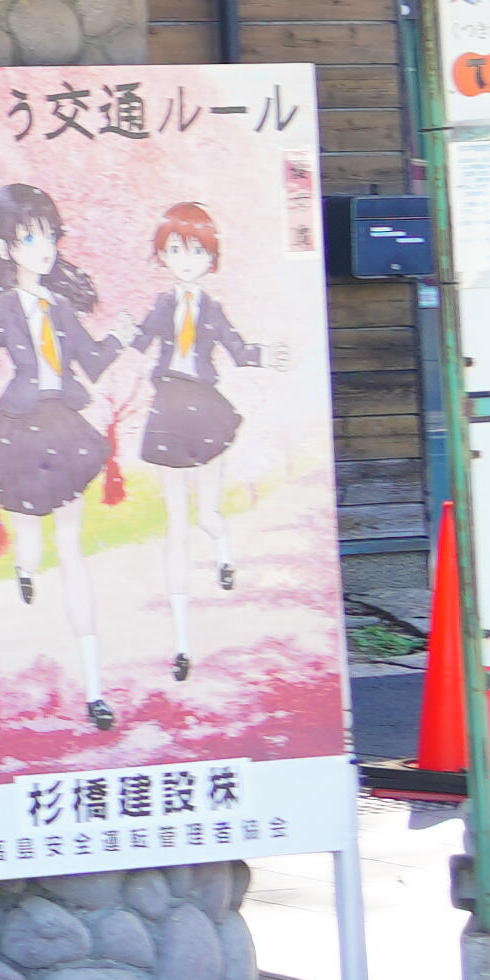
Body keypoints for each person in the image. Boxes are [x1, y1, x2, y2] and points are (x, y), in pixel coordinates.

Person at [0, 178, 127, 733]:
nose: (44, 248)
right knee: (29, 541)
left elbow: (93, 364)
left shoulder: (61, 308)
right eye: (29, 238)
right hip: (20, 432)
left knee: (71, 549)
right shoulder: (4, 306)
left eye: (48, 236)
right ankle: (25, 570)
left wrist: (123, 337)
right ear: (4, 249)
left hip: (64, 427)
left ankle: (94, 687)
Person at [133, 199, 267, 688]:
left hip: (206, 408)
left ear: (211, 257)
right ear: (163, 255)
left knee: (206, 516)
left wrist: (267, 355)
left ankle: (224, 552)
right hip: (169, 408)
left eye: (195, 249)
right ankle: (182, 643)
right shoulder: (163, 305)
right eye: (174, 248)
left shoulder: (212, 308)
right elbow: (138, 341)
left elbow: (237, 348)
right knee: (176, 527)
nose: (185, 258)